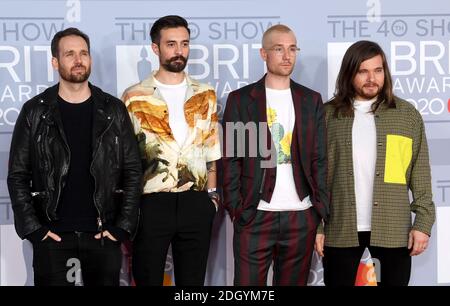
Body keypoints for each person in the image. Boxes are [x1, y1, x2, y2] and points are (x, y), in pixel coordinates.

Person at [7, 27, 142, 286]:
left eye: (83, 53)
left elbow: (133, 171)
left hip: (103, 235)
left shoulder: (113, 109)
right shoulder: (35, 111)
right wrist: (35, 230)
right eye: (70, 54)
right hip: (53, 236)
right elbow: (18, 175)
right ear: (55, 62)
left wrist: (121, 227)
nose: (78, 59)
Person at [315, 40, 435, 286]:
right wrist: (317, 226)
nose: (372, 78)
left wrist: (422, 223)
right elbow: (316, 176)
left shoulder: (406, 115)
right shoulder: (328, 115)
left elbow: (420, 173)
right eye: (363, 71)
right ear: (349, 73)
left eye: (378, 70)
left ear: (385, 72)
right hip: (340, 227)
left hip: (392, 228)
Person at [222, 24, 329, 286]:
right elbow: (233, 159)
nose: (287, 55)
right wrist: (238, 209)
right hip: (256, 214)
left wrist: (318, 212)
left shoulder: (310, 99)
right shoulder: (242, 99)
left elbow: (319, 159)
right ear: (263, 54)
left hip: (301, 216)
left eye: (292, 48)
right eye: (278, 49)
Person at [121, 15, 221, 286]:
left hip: (196, 201)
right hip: (151, 203)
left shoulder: (206, 94)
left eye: (185, 44)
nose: (179, 51)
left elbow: (212, 151)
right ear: (156, 48)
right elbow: (126, 159)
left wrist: (211, 199)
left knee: (193, 284)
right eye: (171, 44)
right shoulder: (134, 97)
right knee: (148, 278)